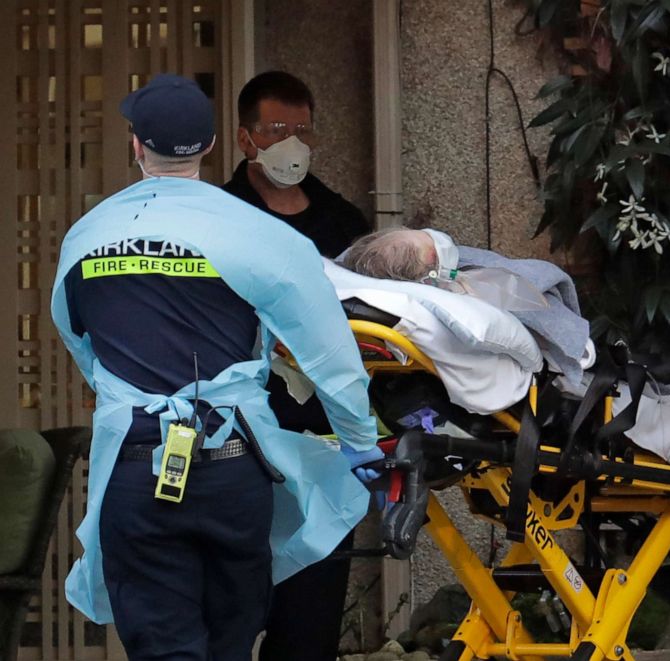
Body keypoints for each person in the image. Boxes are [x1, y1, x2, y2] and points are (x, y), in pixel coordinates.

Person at [51, 73, 382, 661]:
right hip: (233, 471)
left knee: (163, 644)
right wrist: (360, 443)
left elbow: (81, 341)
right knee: (229, 642)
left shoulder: (86, 237)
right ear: (212, 146)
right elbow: (331, 356)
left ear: (135, 145)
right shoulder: (261, 234)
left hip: (136, 467)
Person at [222, 70, 369, 661]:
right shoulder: (220, 216)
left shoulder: (342, 221)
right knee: (227, 612)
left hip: (323, 444)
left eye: (302, 129)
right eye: (276, 129)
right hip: (236, 440)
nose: (292, 142)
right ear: (244, 139)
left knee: (310, 624)